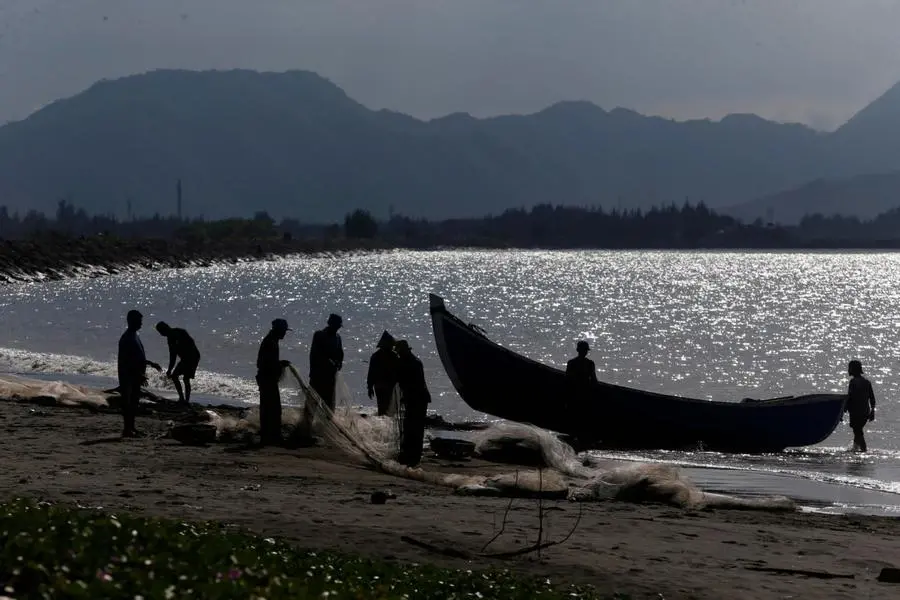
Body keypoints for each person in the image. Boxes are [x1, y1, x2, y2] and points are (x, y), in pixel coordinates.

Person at [117, 310, 162, 437]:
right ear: (132, 321)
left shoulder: (135, 336)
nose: (141, 324)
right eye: (139, 321)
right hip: (128, 376)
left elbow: (138, 358)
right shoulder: (127, 338)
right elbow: (128, 360)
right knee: (128, 402)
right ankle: (127, 429)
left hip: (135, 375)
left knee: (134, 402)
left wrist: (151, 363)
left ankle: (132, 427)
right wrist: (139, 374)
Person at [395, 340, 431, 467]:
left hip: (417, 399)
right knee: (413, 426)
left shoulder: (412, 363)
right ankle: (412, 454)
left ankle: (412, 456)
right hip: (416, 398)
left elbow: (410, 382)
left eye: (399, 352)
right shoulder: (413, 361)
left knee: (413, 426)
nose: (399, 355)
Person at [256, 318, 292, 446]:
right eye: (283, 331)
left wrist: (279, 364)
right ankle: (269, 437)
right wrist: (279, 364)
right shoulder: (270, 342)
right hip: (267, 380)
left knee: (271, 408)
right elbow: (262, 363)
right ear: (278, 330)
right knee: (271, 409)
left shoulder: (272, 340)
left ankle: (269, 436)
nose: (284, 334)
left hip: (268, 379)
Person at [155, 321, 201, 404]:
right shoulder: (170, 339)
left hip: (193, 357)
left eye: (161, 332)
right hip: (185, 358)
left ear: (165, 329)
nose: (161, 334)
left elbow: (191, 343)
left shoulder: (180, 332)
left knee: (185, 378)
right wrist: (169, 370)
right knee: (175, 376)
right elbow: (172, 356)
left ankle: (186, 400)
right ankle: (182, 399)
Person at [309, 313, 344, 412]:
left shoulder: (338, 337)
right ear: (330, 324)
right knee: (312, 402)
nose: (337, 328)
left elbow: (340, 353)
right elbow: (316, 355)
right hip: (318, 375)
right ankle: (307, 424)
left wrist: (339, 363)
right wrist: (329, 362)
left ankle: (327, 424)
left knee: (329, 404)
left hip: (330, 376)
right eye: (336, 325)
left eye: (338, 326)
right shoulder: (319, 335)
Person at [846, 360, 876, 452]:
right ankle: (855, 450)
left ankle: (864, 451)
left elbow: (849, 397)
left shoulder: (853, 382)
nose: (848, 370)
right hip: (865, 412)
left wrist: (843, 409)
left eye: (849, 368)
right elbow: (872, 398)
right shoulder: (867, 382)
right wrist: (872, 411)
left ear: (853, 370)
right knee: (857, 431)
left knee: (858, 431)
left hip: (856, 412)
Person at [367, 331, 399, 416]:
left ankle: (383, 420)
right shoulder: (393, 356)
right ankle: (384, 422)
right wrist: (370, 387)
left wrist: (370, 387)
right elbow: (371, 372)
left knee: (383, 406)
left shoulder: (376, 356)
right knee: (387, 406)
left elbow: (371, 373)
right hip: (386, 386)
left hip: (381, 386)